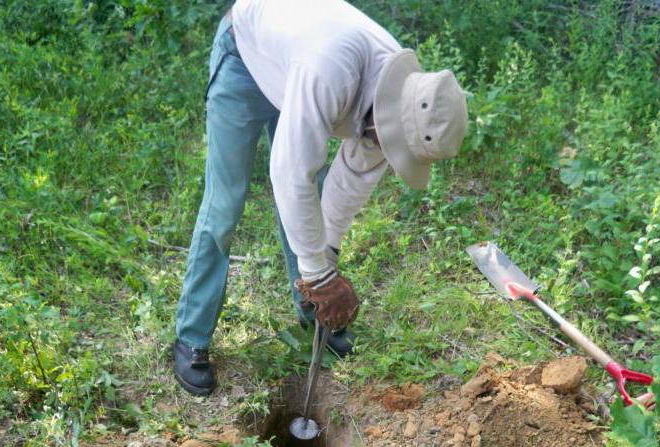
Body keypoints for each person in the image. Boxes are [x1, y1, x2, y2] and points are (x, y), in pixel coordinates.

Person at [172, 0, 468, 396]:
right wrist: (319, 274)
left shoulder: (406, 101)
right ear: (387, 117)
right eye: (391, 143)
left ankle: (313, 317)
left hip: (296, 70)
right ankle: (192, 336)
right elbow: (289, 173)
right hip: (247, 55)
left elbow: (347, 187)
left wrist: (324, 262)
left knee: (305, 206)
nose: (387, 150)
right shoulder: (331, 73)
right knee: (226, 203)